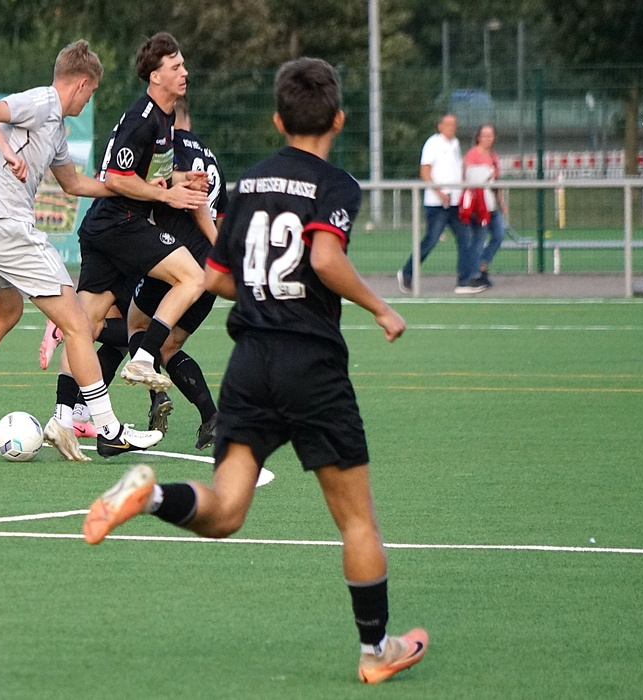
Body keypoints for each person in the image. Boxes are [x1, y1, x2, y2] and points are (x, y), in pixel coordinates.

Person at [81, 58, 428, 685]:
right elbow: (325, 258)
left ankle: (149, 495)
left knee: (226, 510)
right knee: (357, 520)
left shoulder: (247, 184)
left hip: (250, 363)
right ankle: (376, 649)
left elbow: (216, 278)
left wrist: (264, 289)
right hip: (310, 364)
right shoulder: (336, 184)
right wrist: (380, 306)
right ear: (338, 120)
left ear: (277, 120)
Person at [0, 40, 163, 461]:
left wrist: (132, 188)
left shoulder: (57, 131)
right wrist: (7, 151)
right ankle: (109, 430)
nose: (89, 100)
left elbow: (73, 184)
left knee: (7, 312)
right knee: (78, 325)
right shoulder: (43, 103)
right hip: (5, 226)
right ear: (81, 84)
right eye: (91, 92)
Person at [49, 32, 210, 435]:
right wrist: (169, 196)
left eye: (183, 65)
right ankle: (144, 356)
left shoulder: (164, 118)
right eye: (176, 66)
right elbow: (117, 179)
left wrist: (180, 179)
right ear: (156, 76)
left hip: (104, 226)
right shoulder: (144, 119)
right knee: (193, 276)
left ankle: (62, 420)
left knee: (83, 326)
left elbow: (148, 174)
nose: (184, 72)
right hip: (120, 222)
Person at [128, 95, 226, 449]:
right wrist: (220, 252)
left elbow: (193, 200)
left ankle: (156, 395)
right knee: (169, 346)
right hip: (209, 265)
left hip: (176, 253)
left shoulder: (174, 146)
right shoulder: (212, 158)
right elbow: (222, 214)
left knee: (136, 324)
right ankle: (211, 416)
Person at [396, 113, 485, 295]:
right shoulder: (433, 144)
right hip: (437, 205)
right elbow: (425, 172)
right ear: (440, 126)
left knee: (465, 239)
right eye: (448, 124)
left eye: (454, 124)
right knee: (431, 239)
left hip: (455, 203)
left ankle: (464, 281)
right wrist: (439, 192)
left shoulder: (455, 144)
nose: (452, 128)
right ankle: (407, 272)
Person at [462, 124, 506, 288]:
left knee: (499, 235)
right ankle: (474, 274)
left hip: (492, 205)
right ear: (478, 137)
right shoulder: (472, 155)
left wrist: (502, 202)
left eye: (490, 135)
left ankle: (481, 266)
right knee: (478, 239)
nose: (488, 138)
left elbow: (496, 182)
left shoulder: (494, 156)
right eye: (484, 135)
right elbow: (470, 178)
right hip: (478, 206)